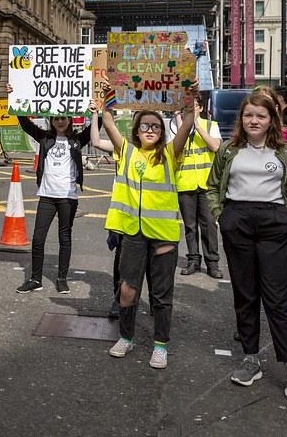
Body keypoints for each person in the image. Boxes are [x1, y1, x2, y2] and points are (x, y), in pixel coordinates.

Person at [207, 90, 287, 409]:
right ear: (242, 118)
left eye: (261, 116)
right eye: (249, 115)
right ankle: (251, 359)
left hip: (274, 221)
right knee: (245, 294)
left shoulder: (285, 151)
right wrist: (220, 215)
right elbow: (213, 186)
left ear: (271, 120)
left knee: (278, 299)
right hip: (236, 219)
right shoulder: (228, 149)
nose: (254, 120)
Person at [94, 83, 193, 370]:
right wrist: (107, 96)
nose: (150, 130)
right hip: (133, 235)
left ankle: (161, 346)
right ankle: (126, 337)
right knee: (127, 290)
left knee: (161, 296)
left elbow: (187, 124)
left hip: (162, 237)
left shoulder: (170, 154)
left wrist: (191, 99)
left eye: (156, 127)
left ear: (162, 133)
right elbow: (109, 120)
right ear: (136, 130)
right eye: (145, 126)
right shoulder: (125, 151)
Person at [14, 96, 99, 294]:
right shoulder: (44, 138)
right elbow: (25, 124)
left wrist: (97, 110)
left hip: (68, 197)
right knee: (38, 239)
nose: (60, 121)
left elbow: (99, 124)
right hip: (46, 195)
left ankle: (62, 279)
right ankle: (35, 279)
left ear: (70, 120)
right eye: (56, 118)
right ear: (51, 121)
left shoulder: (77, 140)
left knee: (65, 238)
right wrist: (16, 98)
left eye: (64, 118)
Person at [173, 93, 222, 278]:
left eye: (193, 107)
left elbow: (216, 147)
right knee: (190, 226)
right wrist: (181, 120)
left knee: (209, 224)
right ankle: (193, 259)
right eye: (186, 108)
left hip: (207, 185)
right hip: (185, 184)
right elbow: (177, 147)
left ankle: (212, 263)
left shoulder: (211, 126)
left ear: (200, 108)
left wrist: (198, 127)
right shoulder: (178, 127)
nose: (190, 110)